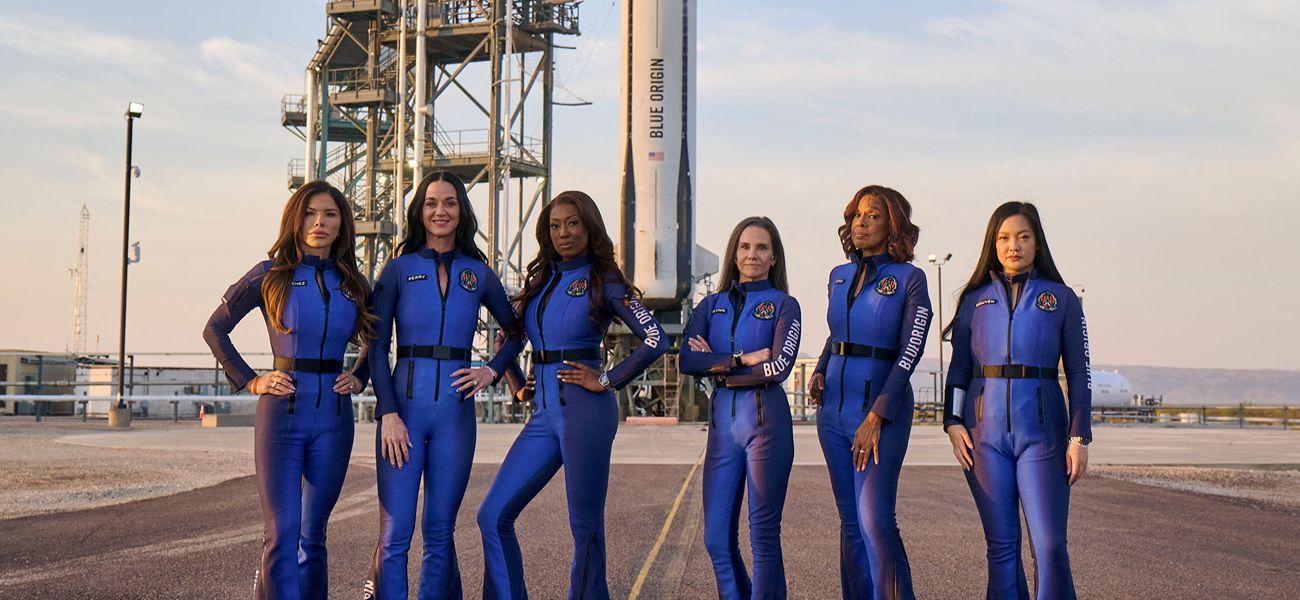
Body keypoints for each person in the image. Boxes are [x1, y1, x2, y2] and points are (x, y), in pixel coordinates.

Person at [476, 191, 667, 600]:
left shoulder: (605, 279)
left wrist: (608, 379)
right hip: (542, 416)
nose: (563, 233)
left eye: (573, 223)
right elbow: (513, 336)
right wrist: (514, 381)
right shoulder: (542, 280)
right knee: (492, 516)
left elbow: (656, 338)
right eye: (555, 226)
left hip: (586, 413)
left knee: (585, 529)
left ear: (589, 226)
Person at [202, 180, 374, 599]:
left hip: (333, 420)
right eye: (311, 213)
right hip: (280, 418)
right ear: (296, 220)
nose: (319, 222)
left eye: (330, 214)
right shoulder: (270, 274)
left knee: (313, 535)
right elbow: (215, 329)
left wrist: (361, 375)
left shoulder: (354, 282)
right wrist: (251, 379)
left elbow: (376, 336)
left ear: (341, 225)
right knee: (281, 532)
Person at [363, 172, 524, 600]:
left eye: (450, 203)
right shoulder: (397, 270)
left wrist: (492, 369)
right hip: (404, 415)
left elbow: (516, 330)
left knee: (439, 532)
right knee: (395, 533)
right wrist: (389, 414)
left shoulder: (479, 273)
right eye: (431, 203)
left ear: (461, 211)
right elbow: (377, 349)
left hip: (455, 416)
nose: (440, 211)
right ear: (419, 210)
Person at [942, 201, 1092, 600]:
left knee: (1049, 545)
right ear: (993, 244)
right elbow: (959, 370)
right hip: (983, 438)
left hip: (1042, 437)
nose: (1014, 246)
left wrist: (1080, 438)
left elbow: (1079, 373)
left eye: (1024, 237)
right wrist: (952, 422)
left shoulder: (1061, 299)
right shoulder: (973, 301)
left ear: (1037, 244)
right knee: (1001, 547)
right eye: (1005, 238)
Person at [808, 186, 931, 600]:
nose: (861, 222)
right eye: (856, 215)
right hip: (833, 413)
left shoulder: (911, 280)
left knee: (875, 519)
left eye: (873, 215)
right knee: (849, 522)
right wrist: (821, 369)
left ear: (892, 223)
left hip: (880, 412)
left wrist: (877, 416)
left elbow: (910, 351)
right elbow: (836, 332)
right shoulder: (838, 276)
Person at [680, 216, 802, 600]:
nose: (752, 254)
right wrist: (740, 359)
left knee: (763, 538)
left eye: (762, 248)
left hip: (767, 426)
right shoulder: (711, 305)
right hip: (722, 432)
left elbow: (780, 366)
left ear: (774, 258)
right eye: (745, 247)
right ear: (734, 254)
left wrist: (718, 369)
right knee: (716, 538)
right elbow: (685, 358)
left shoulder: (785, 305)